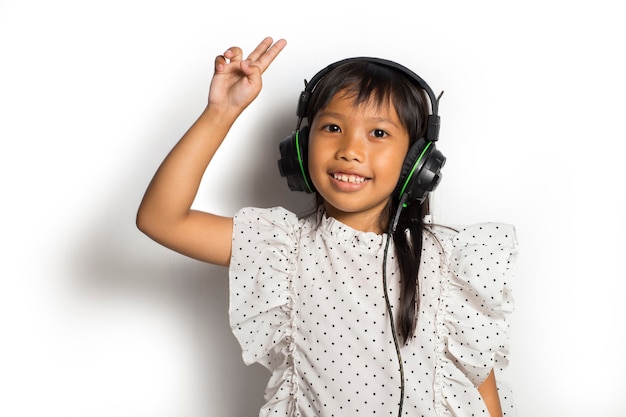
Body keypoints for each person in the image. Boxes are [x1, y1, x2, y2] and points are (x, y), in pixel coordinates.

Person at [136, 37, 518, 417]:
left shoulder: (452, 262)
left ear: (416, 163)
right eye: (332, 128)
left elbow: (477, 386)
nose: (350, 149)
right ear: (301, 148)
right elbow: (161, 219)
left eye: (379, 133)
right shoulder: (282, 249)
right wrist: (221, 111)